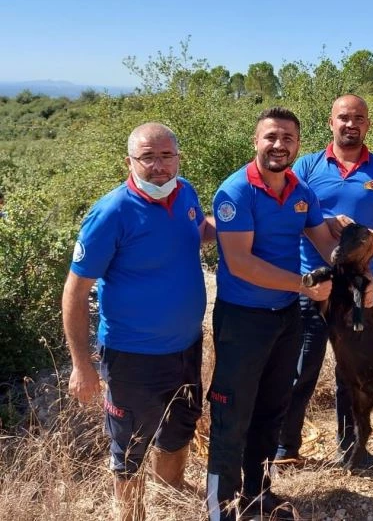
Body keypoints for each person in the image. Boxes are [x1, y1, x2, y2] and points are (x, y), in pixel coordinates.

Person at [62, 122, 214, 521]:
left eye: (166, 156)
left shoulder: (186, 193)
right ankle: (131, 515)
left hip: (186, 345)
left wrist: (247, 222)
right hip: (132, 355)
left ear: (178, 158)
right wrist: (81, 365)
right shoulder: (111, 212)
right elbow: (75, 291)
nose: (159, 166)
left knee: (180, 426)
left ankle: (171, 494)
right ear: (129, 161)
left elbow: (198, 230)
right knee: (130, 447)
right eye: (148, 157)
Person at [206, 107, 344, 521]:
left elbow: (326, 245)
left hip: (286, 318)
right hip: (243, 320)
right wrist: (303, 285)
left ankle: (258, 494)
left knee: (270, 410)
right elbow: (241, 263)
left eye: (288, 138)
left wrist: (356, 265)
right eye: (271, 137)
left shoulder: (301, 192)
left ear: (298, 145)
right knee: (232, 415)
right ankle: (223, 508)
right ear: (256, 141)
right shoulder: (235, 192)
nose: (279, 145)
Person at [274, 94, 373, 464]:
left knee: (352, 373)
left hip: (358, 291)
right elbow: (288, 213)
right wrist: (324, 222)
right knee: (301, 368)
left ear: (368, 124)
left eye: (359, 118)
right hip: (311, 285)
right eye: (344, 117)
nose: (351, 124)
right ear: (331, 122)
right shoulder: (306, 166)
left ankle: (352, 450)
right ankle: (285, 449)